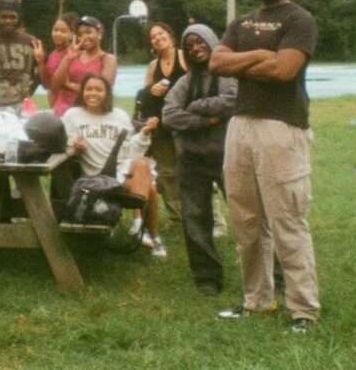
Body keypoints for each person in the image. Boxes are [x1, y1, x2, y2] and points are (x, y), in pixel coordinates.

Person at [210, 0, 320, 332]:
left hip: (282, 127)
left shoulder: (299, 19)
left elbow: (283, 71)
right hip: (241, 125)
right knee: (246, 221)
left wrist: (241, 62)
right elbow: (216, 62)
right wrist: (261, 54)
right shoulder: (241, 22)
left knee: (287, 220)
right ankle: (257, 300)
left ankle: (303, 310)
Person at [162, 24, 236, 294]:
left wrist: (197, 106)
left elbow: (234, 100)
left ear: (212, 41)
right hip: (191, 159)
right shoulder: (184, 82)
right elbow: (169, 116)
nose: (195, 48)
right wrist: (206, 120)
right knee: (195, 219)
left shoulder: (229, 75)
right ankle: (207, 277)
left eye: (200, 41)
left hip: (228, 156)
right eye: (189, 45)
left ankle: (266, 271)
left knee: (246, 216)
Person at [62, 74, 166, 257]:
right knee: (150, 188)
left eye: (98, 89)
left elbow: (131, 151)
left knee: (142, 163)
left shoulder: (119, 116)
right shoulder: (73, 115)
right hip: (96, 178)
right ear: (82, 92)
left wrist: (144, 133)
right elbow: (63, 143)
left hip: (120, 173)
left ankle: (140, 227)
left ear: (107, 93)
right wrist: (74, 145)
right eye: (88, 89)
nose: (93, 93)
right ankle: (147, 232)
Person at [142, 22, 187, 224]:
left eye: (160, 33)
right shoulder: (153, 66)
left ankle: (209, 216)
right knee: (167, 172)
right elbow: (144, 95)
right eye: (153, 37)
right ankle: (176, 216)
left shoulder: (184, 57)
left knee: (192, 170)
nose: (157, 38)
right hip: (162, 125)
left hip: (186, 123)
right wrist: (151, 90)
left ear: (170, 35)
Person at [51, 16, 117, 116]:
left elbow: (102, 89)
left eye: (88, 32)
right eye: (80, 34)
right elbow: (56, 84)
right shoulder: (73, 55)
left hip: (89, 112)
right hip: (63, 110)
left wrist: (69, 84)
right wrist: (68, 58)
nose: (84, 37)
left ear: (99, 33)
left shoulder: (108, 59)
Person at [41, 12, 78, 106]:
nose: (58, 34)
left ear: (72, 34)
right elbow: (46, 85)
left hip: (72, 106)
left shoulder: (76, 55)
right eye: (55, 30)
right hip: (56, 107)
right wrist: (40, 61)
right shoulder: (52, 55)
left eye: (63, 31)